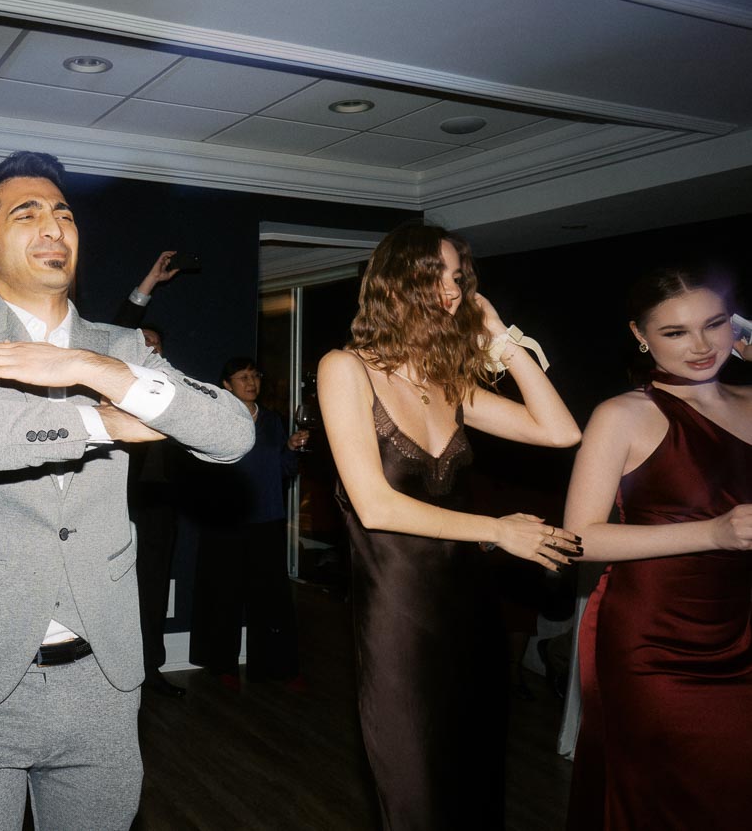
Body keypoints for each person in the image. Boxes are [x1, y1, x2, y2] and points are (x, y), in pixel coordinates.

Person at [0, 151, 254, 830]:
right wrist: (102, 421)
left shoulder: (120, 348)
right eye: (25, 214)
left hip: (101, 684)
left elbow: (232, 432)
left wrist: (91, 367)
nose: (53, 226)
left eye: (63, 213)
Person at [316, 222, 581, 831]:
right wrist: (497, 530)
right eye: (434, 275)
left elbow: (561, 431)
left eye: (458, 277)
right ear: (393, 283)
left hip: (473, 611)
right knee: (416, 793)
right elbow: (375, 506)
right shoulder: (345, 369)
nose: (453, 290)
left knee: (476, 785)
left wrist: (501, 338)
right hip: (400, 617)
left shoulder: (452, 384)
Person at [563, 266, 752, 831]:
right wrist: (712, 533)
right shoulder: (624, 415)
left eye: (715, 324)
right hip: (657, 644)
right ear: (640, 336)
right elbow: (579, 539)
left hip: (744, 626)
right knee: (674, 800)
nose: (701, 346)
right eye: (675, 332)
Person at [189, 356, 306, 689]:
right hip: (227, 520)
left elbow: (285, 470)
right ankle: (223, 665)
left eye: (255, 376)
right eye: (242, 377)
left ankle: (277, 668)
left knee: (272, 597)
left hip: (267, 518)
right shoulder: (217, 419)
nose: (251, 382)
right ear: (227, 385)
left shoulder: (272, 421)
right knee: (225, 593)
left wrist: (291, 449)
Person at [112, 251, 184, 697]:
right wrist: (149, 283)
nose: (150, 348)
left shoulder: (174, 389)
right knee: (114, 588)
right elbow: (122, 329)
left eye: (156, 344)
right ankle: (114, 674)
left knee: (154, 588)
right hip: (119, 503)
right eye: (143, 343)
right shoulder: (115, 387)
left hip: (160, 506)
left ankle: (150, 670)